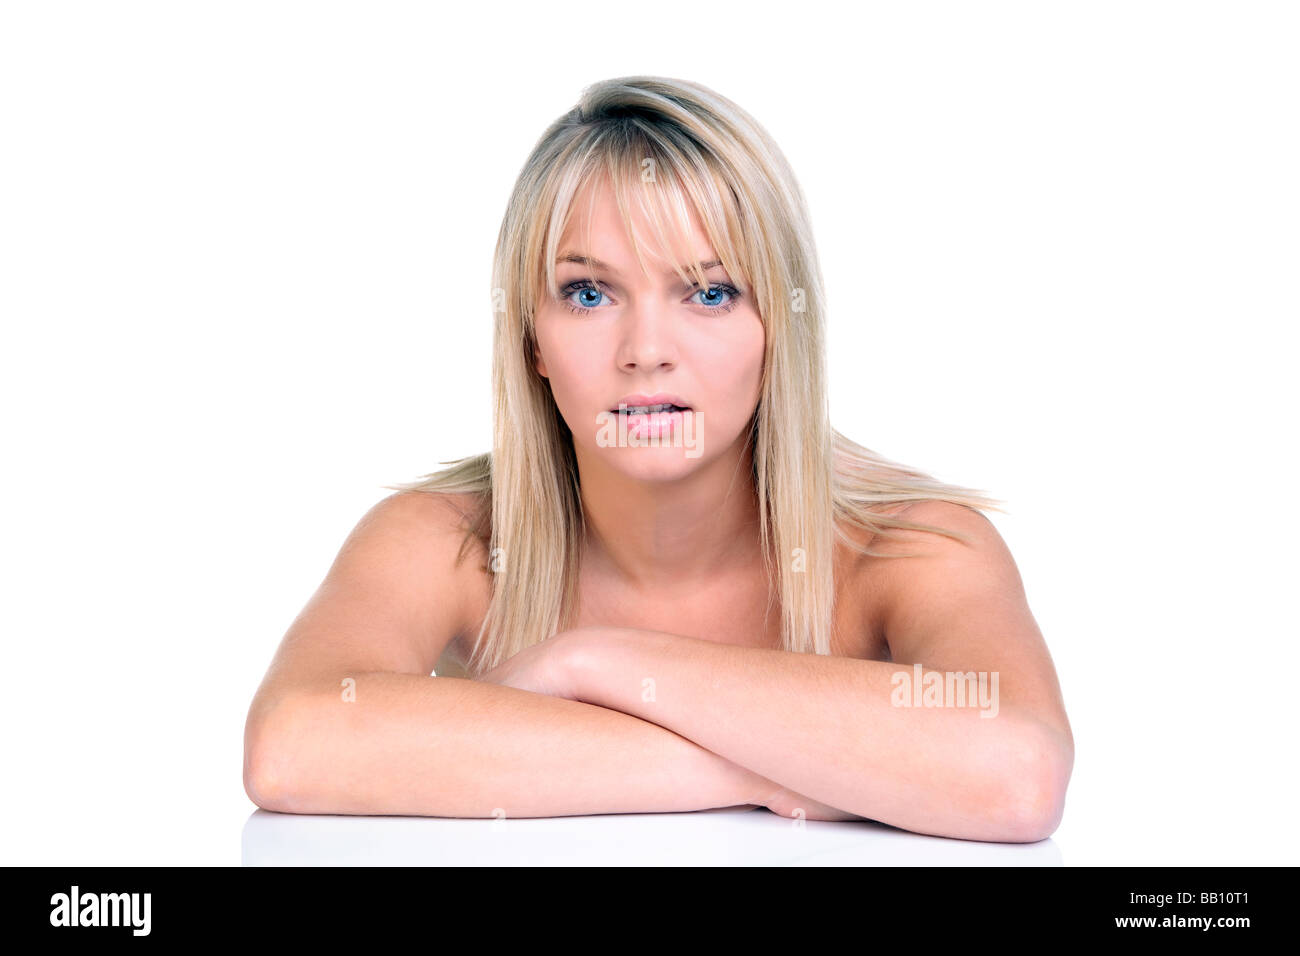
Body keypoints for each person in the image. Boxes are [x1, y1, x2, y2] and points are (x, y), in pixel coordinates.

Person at [243, 75, 1073, 841]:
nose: (645, 351)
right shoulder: (443, 538)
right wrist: (771, 764)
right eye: (589, 294)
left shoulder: (914, 544)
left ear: (777, 331)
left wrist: (591, 661)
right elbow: (293, 744)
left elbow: (1018, 772)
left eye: (710, 292)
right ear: (530, 337)